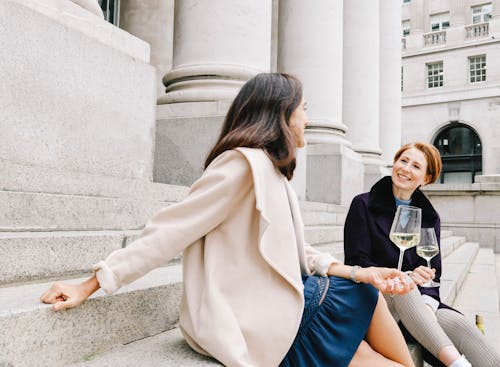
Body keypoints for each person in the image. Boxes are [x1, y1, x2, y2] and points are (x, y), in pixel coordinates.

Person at [41, 73, 416, 367]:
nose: (308, 118)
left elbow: (293, 249)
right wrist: (91, 284)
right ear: (281, 114)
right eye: (304, 108)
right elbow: (169, 232)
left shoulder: (271, 169)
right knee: (372, 355)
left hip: (292, 297)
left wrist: (357, 272)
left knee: (367, 293)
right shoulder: (240, 164)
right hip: (262, 316)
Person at [344, 142, 500, 367]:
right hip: (372, 297)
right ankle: (457, 364)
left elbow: (431, 273)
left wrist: (426, 309)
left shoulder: (428, 216)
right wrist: (406, 275)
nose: (406, 169)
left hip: (414, 303)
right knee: (403, 283)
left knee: (459, 324)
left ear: (425, 179)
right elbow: (357, 262)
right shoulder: (363, 204)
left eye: (416, 166)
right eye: (403, 160)